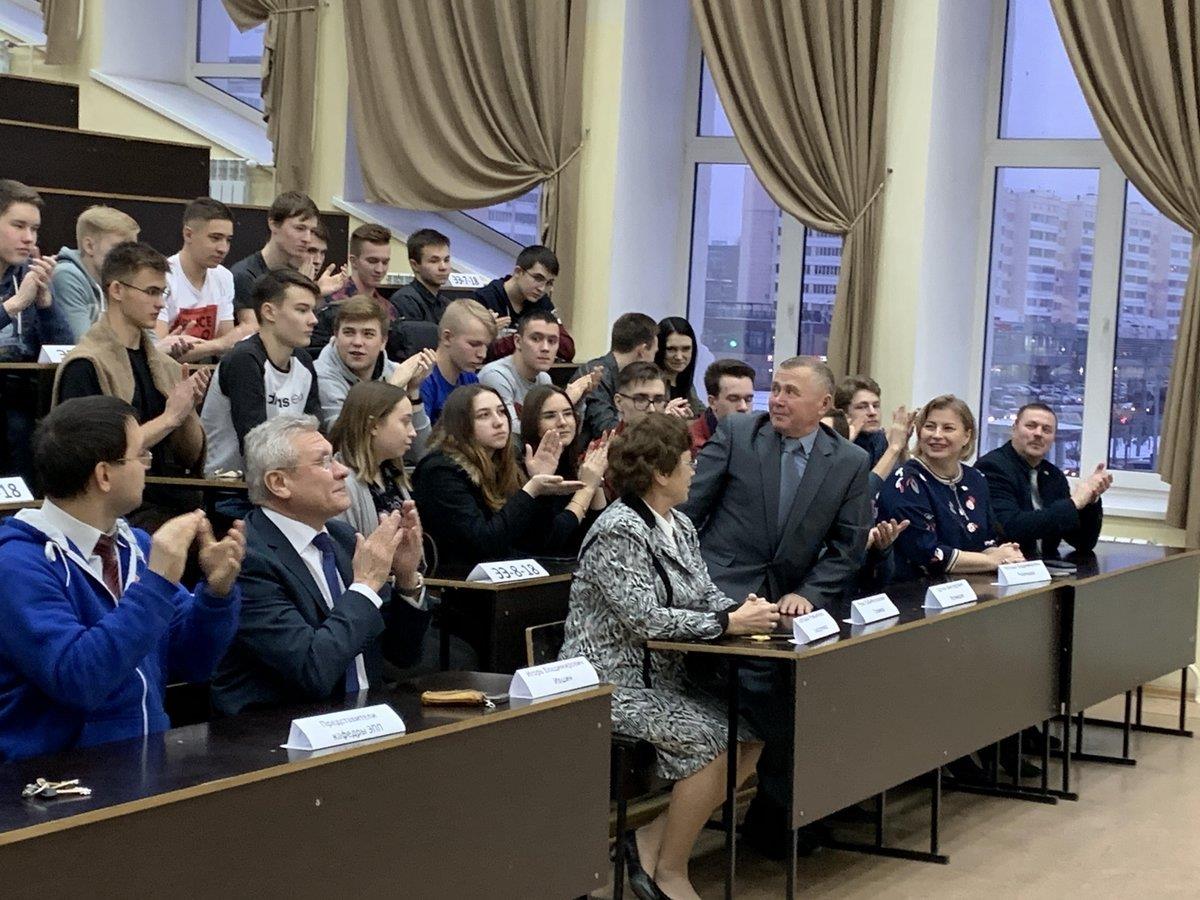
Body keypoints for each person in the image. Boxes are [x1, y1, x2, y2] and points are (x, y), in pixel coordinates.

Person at [560, 413, 779, 900]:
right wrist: (726, 624)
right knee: (713, 740)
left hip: (662, 681)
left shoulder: (678, 524)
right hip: (609, 684)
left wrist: (742, 611)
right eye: (687, 461)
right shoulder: (618, 530)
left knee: (750, 735)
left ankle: (648, 841)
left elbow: (702, 594)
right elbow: (644, 618)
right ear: (660, 473)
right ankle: (670, 871)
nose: (694, 470)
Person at [681, 355, 872, 854]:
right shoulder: (740, 433)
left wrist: (808, 594)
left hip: (790, 608)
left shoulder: (849, 461)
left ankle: (779, 815)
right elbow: (688, 514)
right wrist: (696, 589)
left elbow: (847, 547)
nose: (778, 400)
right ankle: (773, 818)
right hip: (721, 596)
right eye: (777, 389)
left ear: (823, 405)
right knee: (767, 708)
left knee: (810, 700)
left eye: (791, 392)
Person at [0, 396, 244, 761]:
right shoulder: (18, 563)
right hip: (55, 779)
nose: (147, 465)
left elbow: (192, 662)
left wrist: (216, 594)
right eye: (140, 454)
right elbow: (78, 679)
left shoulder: (135, 546)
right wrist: (158, 581)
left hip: (142, 761)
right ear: (104, 475)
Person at [210, 415, 429, 716]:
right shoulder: (247, 559)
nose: (342, 471)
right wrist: (365, 585)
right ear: (279, 483)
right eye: (324, 462)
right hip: (276, 728)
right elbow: (311, 670)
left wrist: (405, 579)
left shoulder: (343, 538)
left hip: (361, 716)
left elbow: (402, 654)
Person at [55, 242, 210, 530]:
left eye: (162, 293)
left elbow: (189, 457)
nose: (160, 304)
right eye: (151, 292)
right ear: (117, 290)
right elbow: (91, 455)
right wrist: (169, 418)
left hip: (172, 498)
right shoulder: (86, 364)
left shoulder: (165, 366)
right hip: (115, 510)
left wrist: (187, 413)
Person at [411, 384, 587, 569]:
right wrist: (531, 490)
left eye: (502, 412)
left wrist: (541, 486)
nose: (498, 422)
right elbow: (483, 543)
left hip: (508, 574)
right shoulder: (441, 471)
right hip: (456, 579)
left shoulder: (506, 463)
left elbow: (537, 542)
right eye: (484, 415)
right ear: (461, 424)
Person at [877, 394, 1025, 581]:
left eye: (948, 428)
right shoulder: (905, 481)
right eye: (930, 427)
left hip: (972, 584)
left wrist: (1006, 554)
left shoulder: (976, 478)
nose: (937, 435)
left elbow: (986, 540)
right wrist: (992, 560)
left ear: (967, 436)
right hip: (915, 588)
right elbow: (928, 553)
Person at [200, 268, 323, 477]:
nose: (313, 320)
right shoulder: (244, 360)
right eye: (302, 310)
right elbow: (255, 447)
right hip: (230, 485)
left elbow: (314, 429)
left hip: (286, 477)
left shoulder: (303, 361)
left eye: (313, 311)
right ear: (269, 312)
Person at [976, 402, 1111, 560]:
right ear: (1014, 428)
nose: (1038, 434)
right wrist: (1074, 503)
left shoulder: (1054, 475)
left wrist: (1091, 499)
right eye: (1031, 426)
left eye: (1046, 430)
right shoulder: (992, 467)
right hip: (1004, 566)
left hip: (1047, 565)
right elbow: (1011, 528)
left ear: (1053, 438)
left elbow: (1083, 542)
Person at [0, 180, 71, 479]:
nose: (28, 238)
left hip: (22, 398)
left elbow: (64, 349)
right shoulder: (20, 291)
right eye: (18, 226)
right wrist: (15, 305)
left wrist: (45, 304)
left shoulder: (29, 274)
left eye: (34, 229)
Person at [314, 296, 435, 436]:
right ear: (336, 336)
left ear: (383, 341)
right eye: (349, 332)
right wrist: (392, 389)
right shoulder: (319, 375)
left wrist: (413, 390)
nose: (357, 342)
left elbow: (420, 447)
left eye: (368, 334)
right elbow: (345, 439)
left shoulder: (395, 371)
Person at [155, 197, 254, 363]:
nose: (223, 248)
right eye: (215, 238)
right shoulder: (162, 276)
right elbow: (159, 352)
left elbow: (226, 349)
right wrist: (219, 345)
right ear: (188, 234)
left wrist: (221, 344)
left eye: (228, 240)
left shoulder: (223, 277)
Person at [517, 384, 610, 556]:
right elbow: (552, 539)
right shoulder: (523, 467)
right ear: (533, 424)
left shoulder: (572, 461)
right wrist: (587, 489)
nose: (563, 422)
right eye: (550, 416)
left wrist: (595, 479)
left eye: (568, 413)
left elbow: (601, 533)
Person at [230, 192, 344, 324]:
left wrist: (314, 292)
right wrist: (303, 290)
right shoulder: (245, 275)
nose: (307, 238)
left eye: (311, 231)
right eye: (300, 228)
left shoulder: (297, 271)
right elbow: (255, 329)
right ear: (273, 224)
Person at [477, 310, 596, 432]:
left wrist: (579, 399)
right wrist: (566, 401)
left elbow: (565, 433)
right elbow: (509, 432)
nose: (545, 348)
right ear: (517, 341)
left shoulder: (544, 378)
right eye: (536, 339)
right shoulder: (496, 376)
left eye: (552, 341)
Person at [472, 244, 576, 361]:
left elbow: (567, 350)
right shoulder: (484, 298)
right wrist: (487, 334)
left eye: (549, 283)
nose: (542, 289)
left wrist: (524, 337)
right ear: (518, 272)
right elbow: (476, 352)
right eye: (538, 278)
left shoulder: (542, 303)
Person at [51, 204, 140, 340]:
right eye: (119, 248)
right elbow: (84, 343)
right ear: (89, 246)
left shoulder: (123, 279)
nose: (130, 257)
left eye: (133, 249)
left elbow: (145, 336)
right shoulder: (66, 275)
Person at [310, 222, 400, 354]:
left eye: (385, 262)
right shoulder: (328, 301)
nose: (380, 269)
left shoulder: (388, 308)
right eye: (372, 261)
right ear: (353, 261)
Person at [573, 312, 659, 447]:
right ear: (642, 351)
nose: (654, 360)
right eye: (654, 353)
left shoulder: (626, 376)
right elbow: (606, 430)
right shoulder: (595, 374)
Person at [420, 298, 497, 424]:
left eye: (486, 346)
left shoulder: (470, 379)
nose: (482, 355)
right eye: (474, 344)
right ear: (447, 338)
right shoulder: (423, 379)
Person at [689, 359, 756, 456]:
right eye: (733, 399)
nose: (743, 407)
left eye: (748, 399)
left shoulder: (760, 437)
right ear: (712, 402)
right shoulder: (693, 446)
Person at [391, 228, 451, 324]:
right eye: (434, 261)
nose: (443, 267)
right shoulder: (405, 300)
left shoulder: (446, 303)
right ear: (414, 265)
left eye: (446, 260)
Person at [655, 317, 703, 417]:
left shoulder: (687, 385)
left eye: (686, 349)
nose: (679, 357)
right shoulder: (648, 383)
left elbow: (703, 415)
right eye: (671, 349)